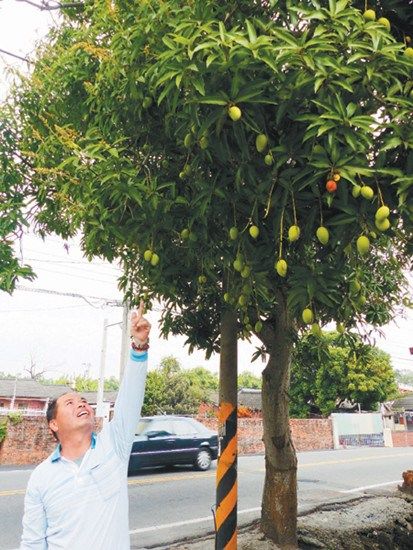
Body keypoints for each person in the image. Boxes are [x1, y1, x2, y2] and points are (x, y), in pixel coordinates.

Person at [20, 302, 151, 550]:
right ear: (54, 424)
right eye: (70, 402)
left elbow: (129, 400)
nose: (81, 404)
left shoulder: (114, 446)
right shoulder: (41, 477)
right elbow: (33, 542)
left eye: (83, 401)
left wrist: (139, 347)